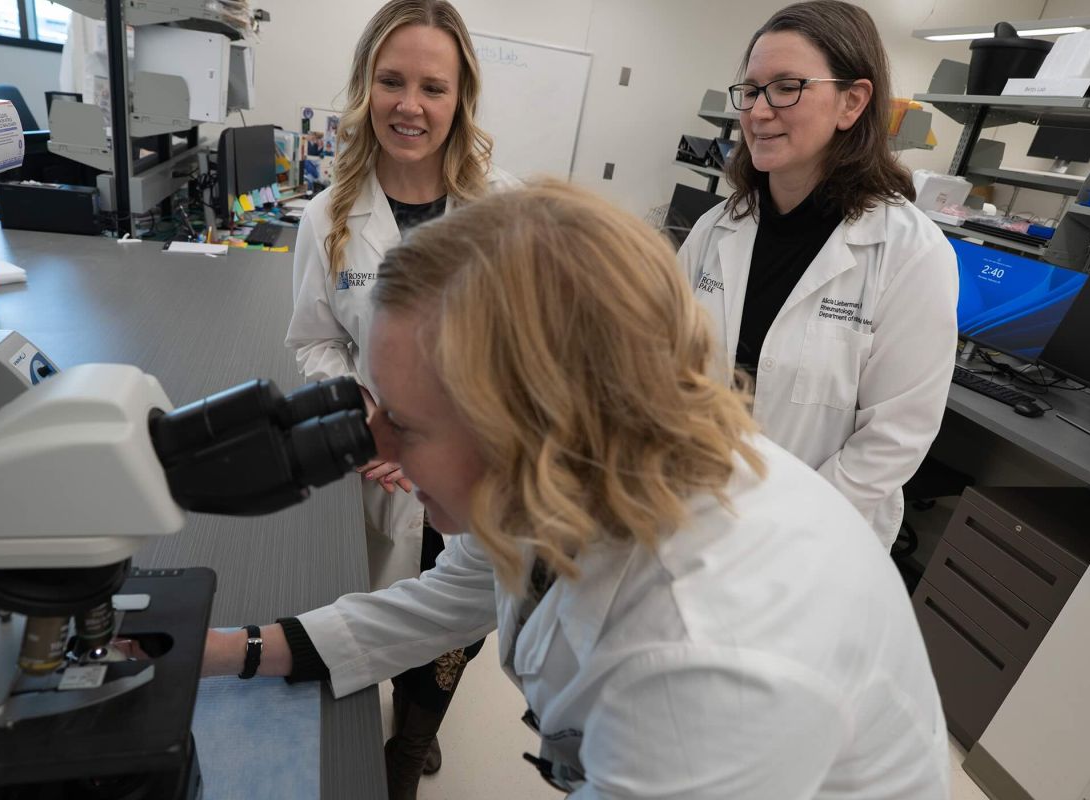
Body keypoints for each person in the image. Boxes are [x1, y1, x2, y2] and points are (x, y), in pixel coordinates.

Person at [205, 180, 949, 798]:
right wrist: (219, 651)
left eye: (404, 422)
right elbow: (432, 607)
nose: (380, 448)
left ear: (531, 422)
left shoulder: (707, 657)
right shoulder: (574, 469)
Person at [282, 1, 515, 794]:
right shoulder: (331, 217)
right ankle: (398, 717)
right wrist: (360, 413)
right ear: (365, 88)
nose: (409, 105)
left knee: (462, 618)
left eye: (432, 87)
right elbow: (313, 339)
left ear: (460, 101)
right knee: (393, 603)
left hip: (480, 466)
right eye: (391, 81)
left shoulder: (500, 213)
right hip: (382, 466)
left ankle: (411, 746)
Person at [678, 0, 958, 551]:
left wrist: (783, 531)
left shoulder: (909, 252)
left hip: (815, 542)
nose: (759, 111)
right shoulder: (716, 229)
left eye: (786, 87)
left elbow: (894, 439)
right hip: (695, 513)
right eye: (753, 90)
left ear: (852, 102)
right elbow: (667, 369)